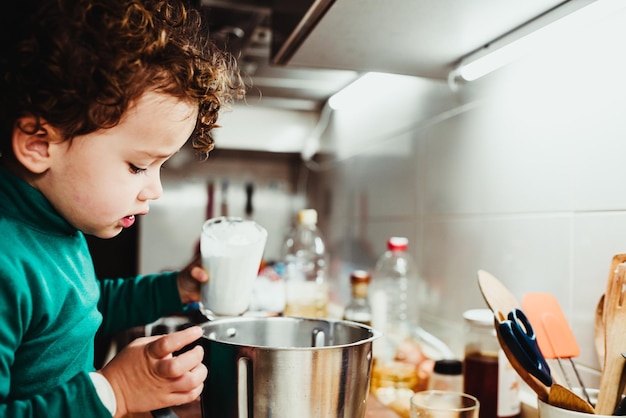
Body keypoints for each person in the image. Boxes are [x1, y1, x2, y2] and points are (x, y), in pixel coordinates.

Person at [0, 0, 245, 417]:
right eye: (138, 166)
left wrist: (176, 289)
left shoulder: (55, 230)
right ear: (39, 144)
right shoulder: (7, 259)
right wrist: (115, 392)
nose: (155, 190)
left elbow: (78, 311)